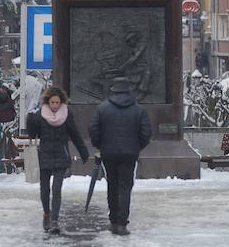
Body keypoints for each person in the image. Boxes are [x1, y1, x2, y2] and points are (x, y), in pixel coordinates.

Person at [89, 77, 152, 235]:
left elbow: (93, 129)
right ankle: (122, 223)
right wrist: (137, 147)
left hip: (108, 153)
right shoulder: (139, 110)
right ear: (128, 91)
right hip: (129, 155)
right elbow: (146, 133)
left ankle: (113, 220)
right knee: (125, 187)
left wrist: (100, 146)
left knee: (112, 185)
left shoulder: (102, 108)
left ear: (113, 90)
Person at [26, 87, 89, 234]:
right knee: (45, 189)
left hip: (61, 155)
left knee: (56, 188)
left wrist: (83, 151)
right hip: (45, 156)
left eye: (57, 102)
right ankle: (46, 214)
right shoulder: (40, 115)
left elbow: (74, 134)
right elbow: (33, 133)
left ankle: (55, 220)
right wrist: (30, 121)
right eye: (52, 102)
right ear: (48, 102)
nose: (55, 105)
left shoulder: (66, 114)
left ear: (61, 102)